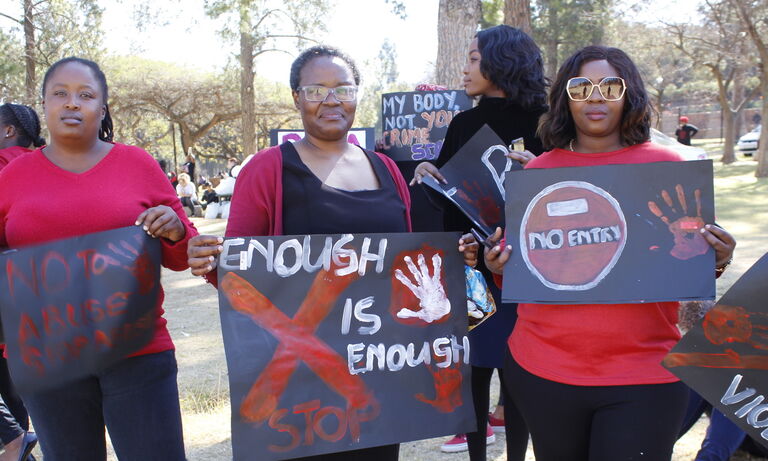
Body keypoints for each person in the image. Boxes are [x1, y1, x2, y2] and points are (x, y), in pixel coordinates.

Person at [482, 46, 736, 461]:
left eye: (609, 86)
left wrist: (716, 257)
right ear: (565, 98)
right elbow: (527, 271)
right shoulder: (537, 173)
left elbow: (689, 267)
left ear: (628, 94)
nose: (595, 97)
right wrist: (498, 265)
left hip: (644, 376)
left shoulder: (667, 167)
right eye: (581, 87)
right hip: (545, 370)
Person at [0, 56, 197, 461]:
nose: (72, 103)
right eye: (60, 94)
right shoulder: (12, 177)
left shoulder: (138, 164)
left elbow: (181, 255)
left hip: (137, 353)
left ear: (102, 108)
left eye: (85, 95)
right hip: (46, 359)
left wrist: (175, 230)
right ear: (45, 104)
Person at [411, 25, 544, 461]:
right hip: (473, 271)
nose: (464, 69)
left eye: (472, 58)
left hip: (533, 272)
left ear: (501, 61)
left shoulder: (548, 123)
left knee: (521, 377)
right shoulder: (464, 122)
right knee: (472, 372)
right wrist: (429, 180)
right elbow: (451, 204)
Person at [0, 103, 44, 461]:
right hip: (43, 291)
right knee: (13, 386)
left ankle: (14, 439)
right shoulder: (48, 162)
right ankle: (19, 448)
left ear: (8, 130)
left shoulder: (5, 166)